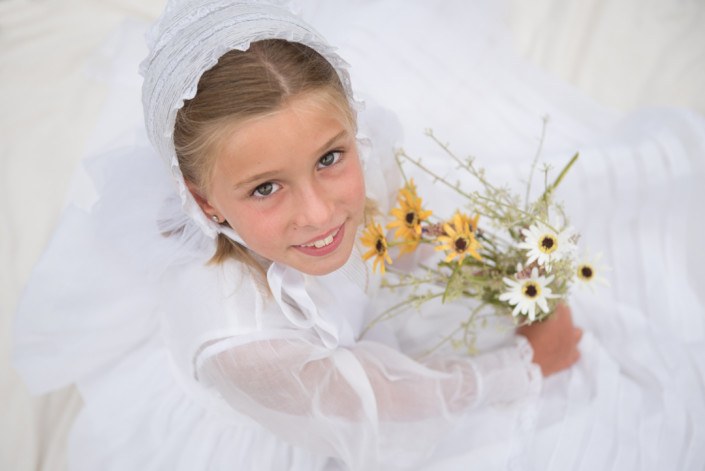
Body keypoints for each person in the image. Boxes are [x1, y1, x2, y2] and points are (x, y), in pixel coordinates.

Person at [12, 1, 705, 470]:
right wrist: (526, 364)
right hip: (304, 406)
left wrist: (468, 256)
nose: (317, 214)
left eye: (329, 158)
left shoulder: (350, 162)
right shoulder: (236, 341)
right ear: (203, 202)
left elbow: (392, 224)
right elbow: (389, 404)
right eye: (264, 187)